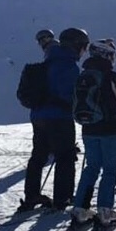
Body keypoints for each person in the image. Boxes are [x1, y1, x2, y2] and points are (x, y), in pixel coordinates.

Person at [71, 39, 116, 227]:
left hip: (88, 128)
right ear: (106, 55)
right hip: (109, 129)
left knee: (91, 167)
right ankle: (105, 210)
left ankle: (80, 208)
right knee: (109, 170)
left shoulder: (83, 75)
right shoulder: (112, 77)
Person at [19, 27, 90, 212]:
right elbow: (69, 95)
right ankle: (63, 198)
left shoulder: (49, 59)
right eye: (83, 47)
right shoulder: (67, 64)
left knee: (38, 155)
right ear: (76, 45)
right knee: (65, 156)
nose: (83, 51)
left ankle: (32, 195)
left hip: (38, 116)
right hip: (59, 117)